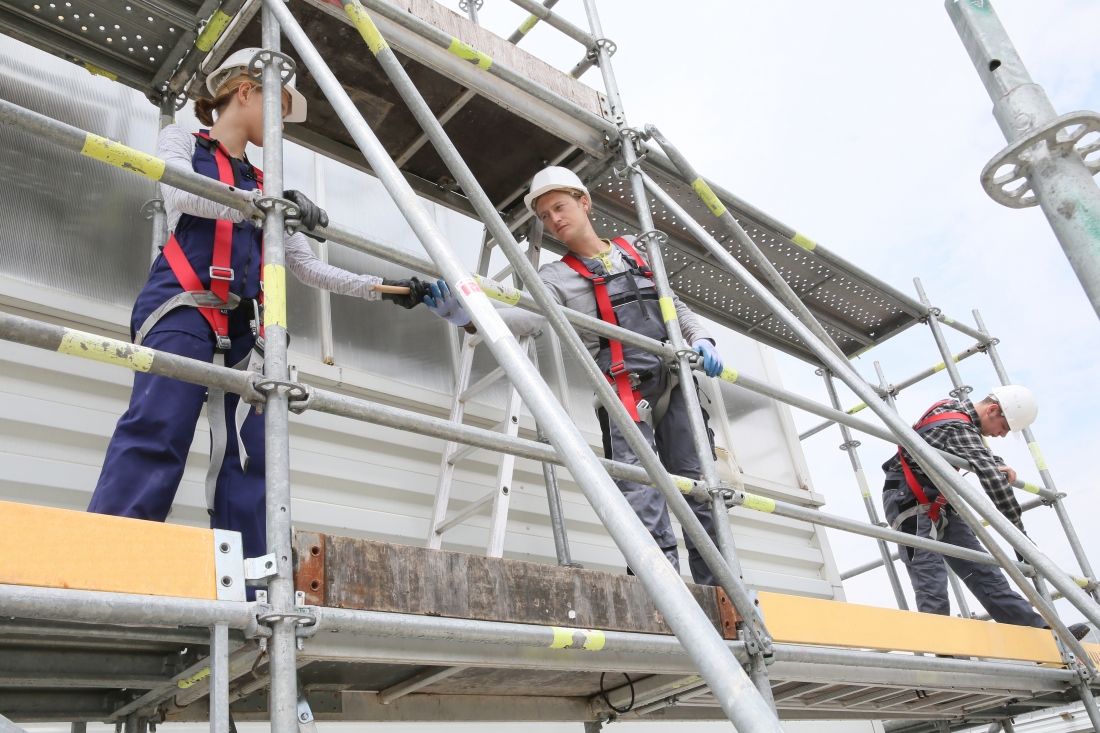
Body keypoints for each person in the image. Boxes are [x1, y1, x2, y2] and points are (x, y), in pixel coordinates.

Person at [88, 48, 427, 564]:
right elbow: (181, 193)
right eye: (279, 105)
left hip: (247, 331)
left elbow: (309, 268)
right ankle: (105, 561)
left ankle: (244, 580)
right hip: (183, 308)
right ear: (244, 91)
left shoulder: (266, 184)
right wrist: (265, 205)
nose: (281, 125)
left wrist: (388, 287)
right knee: (160, 425)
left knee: (248, 454)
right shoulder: (183, 140)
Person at [424, 166, 725, 585]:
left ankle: (724, 593)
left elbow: (673, 305)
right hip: (622, 388)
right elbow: (528, 318)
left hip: (677, 383)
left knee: (699, 488)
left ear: (584, 202)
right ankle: (659, 591)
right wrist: (468, 318)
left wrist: (702, 340)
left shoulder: (637, 251)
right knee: (642, 493)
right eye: (545, 216)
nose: (554, 220)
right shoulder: (556, 277)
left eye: (560, 207)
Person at [881, 386, 1089, 638]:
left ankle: (1042, 635)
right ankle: (945, 649)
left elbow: (972, 448)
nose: (1001, 435)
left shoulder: (953, 412)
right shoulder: (958, 426)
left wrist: (995, 461)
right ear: (992, 410)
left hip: (938, 498)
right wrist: (1020, 539)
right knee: (930, 575)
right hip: (908, 499)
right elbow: (995, 486)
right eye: (1003, 428)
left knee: (983, 569)